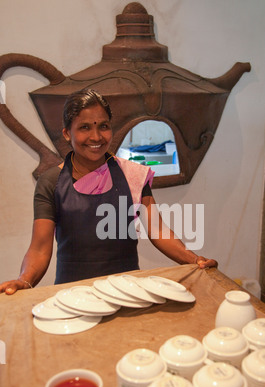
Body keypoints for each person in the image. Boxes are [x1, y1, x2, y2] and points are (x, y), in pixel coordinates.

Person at [0, 89, 217, 295]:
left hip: (127, 293)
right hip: (71, 296)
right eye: (85, 127)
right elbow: (39, 249)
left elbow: (158, 231)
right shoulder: (51, 183)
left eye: (103, 126)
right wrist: (24, 280)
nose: (96, 137)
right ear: (67, 133)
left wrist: (193, 259)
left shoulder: (133, 176)